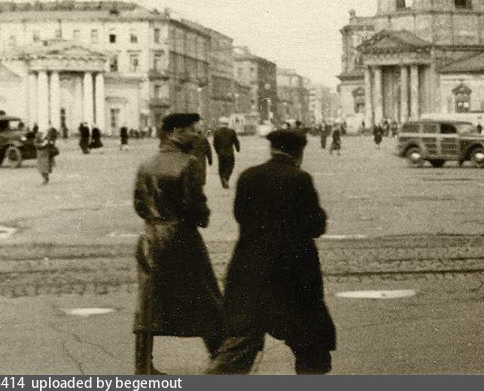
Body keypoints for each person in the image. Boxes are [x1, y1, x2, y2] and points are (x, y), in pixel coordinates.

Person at [207, 129, 336, 375]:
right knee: (312, 347)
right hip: (293, 275)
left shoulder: (248, 176)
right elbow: (316, 225)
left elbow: (240, 215)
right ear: (299, 152)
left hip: (249, 270)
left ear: (273, 149)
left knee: (239, 346)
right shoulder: (300, 179)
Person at [133, 112, 224, 375]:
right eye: (192, 130)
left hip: (151, 237)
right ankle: (220, 358)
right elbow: (195, 206)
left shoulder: (147, 163)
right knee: (206, 296)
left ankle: (143, 366)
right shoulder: (188, 163)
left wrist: (155, 220)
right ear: (176, 132)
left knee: (148, 303)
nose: (197, 134)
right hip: (181, 238)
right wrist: (202, 217)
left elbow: (139, 204)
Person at [213, 118, 241, 189]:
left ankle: (223, 179)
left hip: (221, 153)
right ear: (227, 124)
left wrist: (218, 151)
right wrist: (238, 149)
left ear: (220, 123)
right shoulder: (232, 131)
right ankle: (226, 178)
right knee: (230, 166)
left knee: (221, 167)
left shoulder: (217, 132)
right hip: (229, 153)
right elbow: (236, 141)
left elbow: (215, 144)